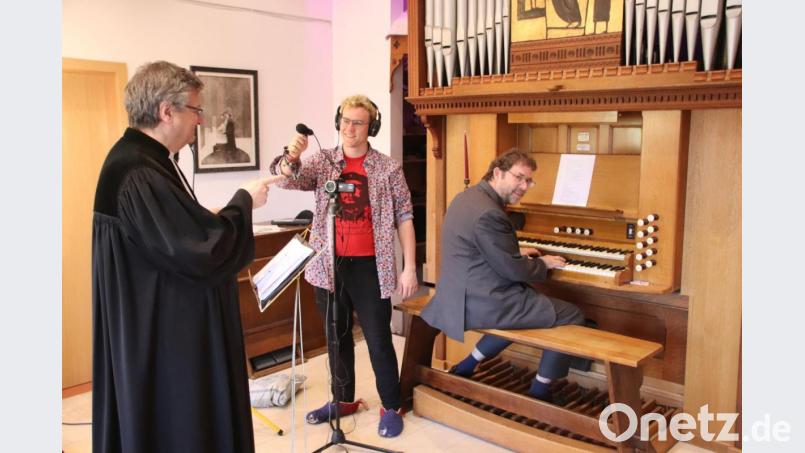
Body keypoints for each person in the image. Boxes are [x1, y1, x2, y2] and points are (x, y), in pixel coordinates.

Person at [92, 61, 274, 453]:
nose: (200, 121)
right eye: (195, 110)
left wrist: (214, 214)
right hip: (164, 332)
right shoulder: (138, 171)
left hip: (154, 318)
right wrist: (244, 200)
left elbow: (172, 232)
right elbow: (200, 251)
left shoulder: (144, 161)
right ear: (166, 111)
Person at [273, 94, 418, 438]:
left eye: (358, 123)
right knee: (336, 338)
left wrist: (409, 266)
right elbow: (287, 179)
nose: (349, 129)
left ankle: (390, 405)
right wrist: (291, 155)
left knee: (379, 339)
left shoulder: (388, 167)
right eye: (345, 121)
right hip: (327, 266)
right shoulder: (323, 161)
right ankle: (343, 400)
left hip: (371, 266)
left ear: (372, 127)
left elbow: (405, 216)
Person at [420, 149, 586, 404]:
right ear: (497, 172)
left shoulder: (467, 197)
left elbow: (480, 244)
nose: (524, 186)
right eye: (519, 178)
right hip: (482, 301)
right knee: (571, 313)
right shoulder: (490, 213)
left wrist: (513, 250)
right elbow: (512, 270)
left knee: (530, 302)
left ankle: (467, 365)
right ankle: (540, 390)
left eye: (529, 181)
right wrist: (542, 263)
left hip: (458, 293)